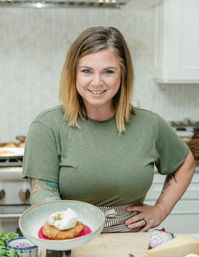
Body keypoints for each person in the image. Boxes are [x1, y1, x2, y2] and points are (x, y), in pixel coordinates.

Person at [23, 26, 195, 234]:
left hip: (132, 243)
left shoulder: (150, 124)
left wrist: (161, 209)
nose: (97, 82)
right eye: (86, 71)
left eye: (108, 71)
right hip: (69, 241)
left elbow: (185, 163)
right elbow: (44, 197)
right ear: (73, 74)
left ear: (123, 74)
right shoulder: (48, 125)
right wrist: (69, 231)